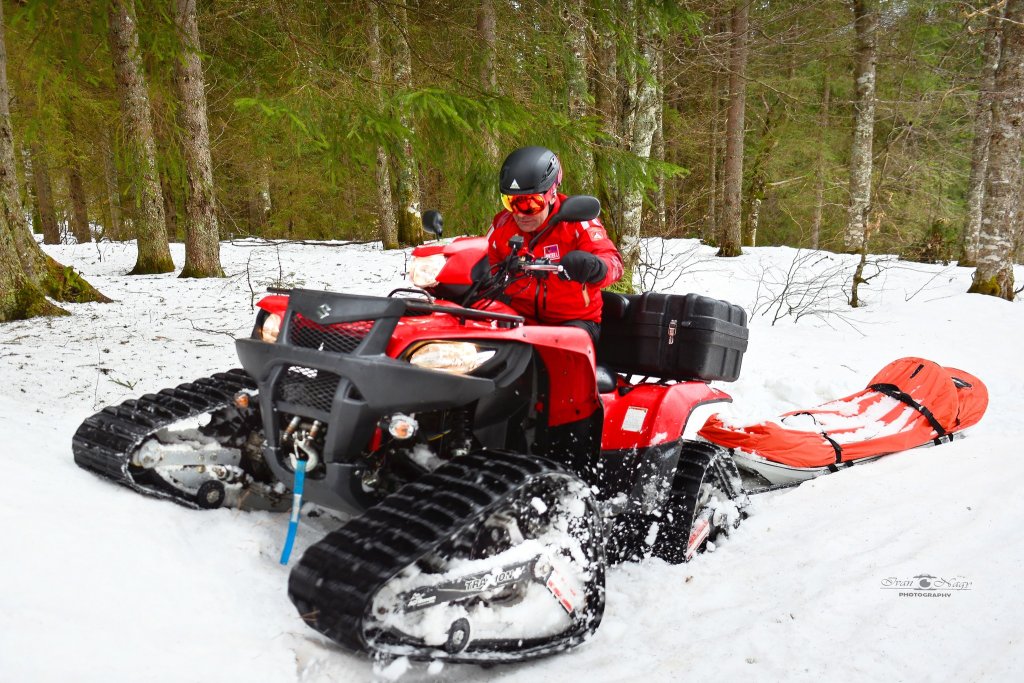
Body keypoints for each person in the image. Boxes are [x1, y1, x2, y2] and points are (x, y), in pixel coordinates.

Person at [486, 146, 623, 345]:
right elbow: (479, 259)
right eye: (510, 202)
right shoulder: (503, 224)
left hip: (573, 322)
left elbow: (614, 263)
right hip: (519, 319)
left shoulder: (577, 221)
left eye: (530, 203)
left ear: (551, 194)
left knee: (557, 352)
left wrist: (595, 267)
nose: (520, 213)